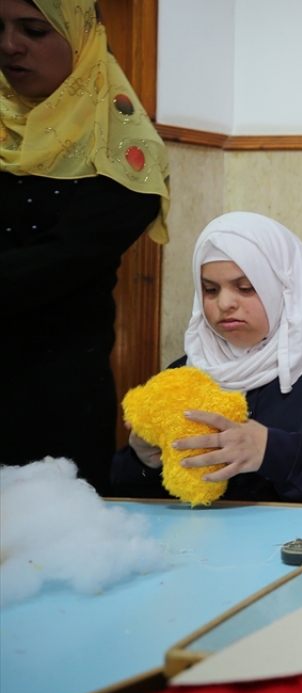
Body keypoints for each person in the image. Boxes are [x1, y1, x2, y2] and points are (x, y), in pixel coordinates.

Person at [111, 212, 302, 508]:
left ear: (285, 287)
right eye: (210, 290)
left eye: (245, 287)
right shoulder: (192, 369)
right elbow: (142, 499)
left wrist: (273, 451)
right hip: (224, 551)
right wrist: (142, 461)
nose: (225, 303)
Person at [1, 0, 170, 492]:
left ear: (82, 41)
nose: (9, 45)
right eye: (0, 27)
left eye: (33, 29)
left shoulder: (122, 152)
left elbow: (61, 262)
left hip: (52, 403)